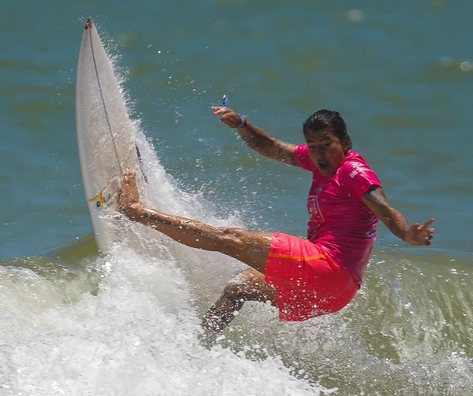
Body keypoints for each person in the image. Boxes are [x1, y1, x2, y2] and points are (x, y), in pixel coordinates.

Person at [116, 107, 435, 342]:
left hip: (329, 267)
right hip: (334, 293)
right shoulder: (317, 161)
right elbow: (271, 147)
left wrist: (406, 233)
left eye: (326, 144)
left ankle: (135, 211)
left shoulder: (353, 172)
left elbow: (385, 210)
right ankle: (198, 347)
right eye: (312, 145)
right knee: (239, 287)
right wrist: (242, 124)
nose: (319, 153)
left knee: (228, 237)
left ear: (345, 142)